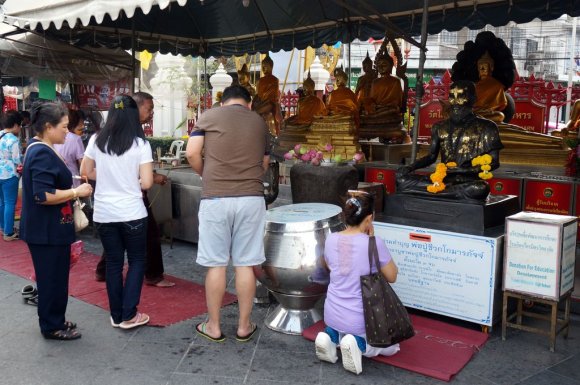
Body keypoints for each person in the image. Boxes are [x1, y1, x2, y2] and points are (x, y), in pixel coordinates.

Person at [185, 84, 270, 343]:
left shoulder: (209, 116)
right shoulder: (259, 122)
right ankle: (244, 326)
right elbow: (265, 163)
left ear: (223, 102)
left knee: (216, 264)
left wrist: (205, 174)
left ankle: (214, 326)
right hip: (251, 199)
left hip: (216, 199)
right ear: (250, 103)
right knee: (245, 262)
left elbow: (191, 152)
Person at [19, 102, 93, 340]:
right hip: (46, 230)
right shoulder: (41, 151)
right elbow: (43, 195)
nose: (67, 131)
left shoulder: (41, 147)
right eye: (63, 126)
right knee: (51, 279)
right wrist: (75, 192)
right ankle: (51, 326)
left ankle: (56, 320)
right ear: (48, 127)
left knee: (56, 278)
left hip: (50, 228)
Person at [80, 95, 153, 330]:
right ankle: (129, 314)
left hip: (104, 213)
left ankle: (116, 314)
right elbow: (147, 183)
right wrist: (129, 179)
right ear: (133, 117)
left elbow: (86, 171)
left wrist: (109, 177)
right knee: (137, 261)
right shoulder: (140, 144)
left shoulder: (96, 140)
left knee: (113, 263)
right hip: (132, 212)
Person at [315, 191, 399, 375]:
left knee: (338, 331)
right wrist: (372, 241)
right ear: (369, 218)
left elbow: (331, 267)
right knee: (392, 348)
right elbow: (392, 276)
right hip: (361, 320)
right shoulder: (373, 243)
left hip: (332, 313)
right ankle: (359, 345)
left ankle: (330, 337)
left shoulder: (332, 239)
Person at [95, 91, 174, 287]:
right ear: (134, 108)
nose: (151, 114)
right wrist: (149, 178)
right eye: (149, 109)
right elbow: (143, 179)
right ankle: (152, 275)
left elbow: (89, 169)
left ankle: (104, 272)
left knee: (116, 247)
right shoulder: (137, 140)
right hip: (131, 199)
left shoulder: (101, 137)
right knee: (147, 238)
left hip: (108, 204)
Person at [396, 81, 503, 201]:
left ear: (473, 99)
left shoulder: (487, 127)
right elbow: (431, 156)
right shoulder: (439, 126)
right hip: (443, 178)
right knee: (402, 179)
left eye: (461, 96)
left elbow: (494, 162)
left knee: (480, 188)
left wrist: (463, 170)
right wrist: (410, 167)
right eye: (452, 96)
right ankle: (447, 193)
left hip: (468, 181)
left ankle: (437, 192)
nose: (456, 102)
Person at [0, 110, 23, 241]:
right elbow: (17, 160)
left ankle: (3, 227)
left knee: (2, 202)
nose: (20, 128)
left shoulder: (0, 135)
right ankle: (8, 232)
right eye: (19, 125)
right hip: (9, 174)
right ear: (15, 125)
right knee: (10, 203)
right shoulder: (14, 140)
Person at [473, 51, 508, 123]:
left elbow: (502, 104)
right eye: (480, 67)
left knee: (500, 116)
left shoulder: (496, 85)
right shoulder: (475, 84)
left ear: (491, 68)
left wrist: (488, 109)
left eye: (484, 67)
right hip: (473, 112)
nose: (482, 70)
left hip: (487, 114)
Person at [54, 110, 85, 188]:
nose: (82, 126)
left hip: (56, 180)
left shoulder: (53, 137)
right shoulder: (76, 139)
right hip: (73, 181)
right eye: (80, 124)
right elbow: (82, 165)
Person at [252, 55, 282, 136]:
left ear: (271, 67)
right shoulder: (260, 80)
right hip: (262, 103)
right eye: (262, 67)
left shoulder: (275, 80)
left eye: (265, 66)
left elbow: (274, 97)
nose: (263, 69)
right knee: (254, 111)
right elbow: (257, 95)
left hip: (270, 104)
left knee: (269, 105)